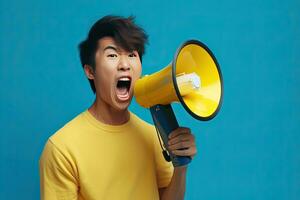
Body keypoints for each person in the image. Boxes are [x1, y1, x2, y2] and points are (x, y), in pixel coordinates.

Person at [39, 15, 197, 200]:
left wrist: (181, 168)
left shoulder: (153, 137)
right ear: (90, 71)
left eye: (132, 55)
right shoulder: (61, 148)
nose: (124, 65)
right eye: (112, 55)